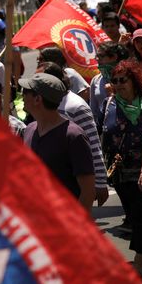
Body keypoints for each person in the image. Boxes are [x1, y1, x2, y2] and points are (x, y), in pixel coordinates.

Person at [100, 60, 142, 274]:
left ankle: (140, 257)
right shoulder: (109, 105)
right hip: (120, 170)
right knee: (134, 212)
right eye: (114, 80)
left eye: (123, 80)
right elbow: (103, 132)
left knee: (141, 213)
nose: (118, 84)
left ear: (134, 81)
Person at [19, 73, 95, 211]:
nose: (22, 96)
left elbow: (88, 191)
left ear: (37, 99)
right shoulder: (29, 130)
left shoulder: (73, 136)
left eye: (25, 92)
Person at [35, 62, 107, 205]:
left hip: (74, 180)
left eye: (39, 79)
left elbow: (93, 144)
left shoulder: (75, 106)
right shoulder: (44, 104)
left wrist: (100, 183)